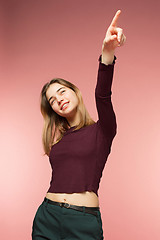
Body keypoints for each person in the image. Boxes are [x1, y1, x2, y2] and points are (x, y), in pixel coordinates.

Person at [32, 9, 126, 240]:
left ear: (75, 92)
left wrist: (107, 53)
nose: (59, 99)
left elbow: (103, 94)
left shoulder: (102, 130)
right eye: (52, 100)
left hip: (82, 221)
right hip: (47, 216)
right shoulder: (58, 140)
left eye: (62, 91)